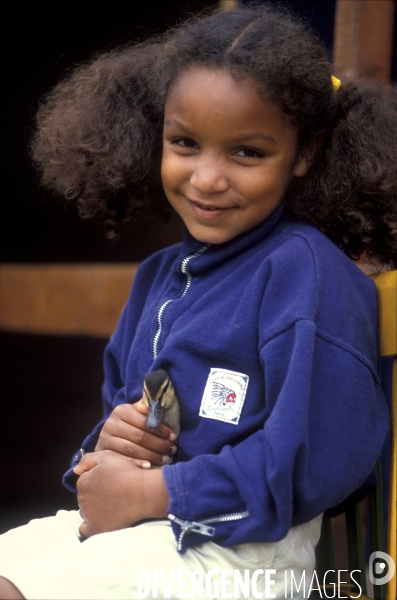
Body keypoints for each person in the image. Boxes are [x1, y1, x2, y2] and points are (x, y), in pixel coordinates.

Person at [1, 5, 396, 599]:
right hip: (149, 531)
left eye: (246, 153)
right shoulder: (159, 276)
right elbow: (127, 419)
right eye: (185, 142)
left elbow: (319, 460)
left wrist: (156, 493)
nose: (207, 179)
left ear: (305, 153)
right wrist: (109, 446)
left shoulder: (306, 275)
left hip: (240, 559)